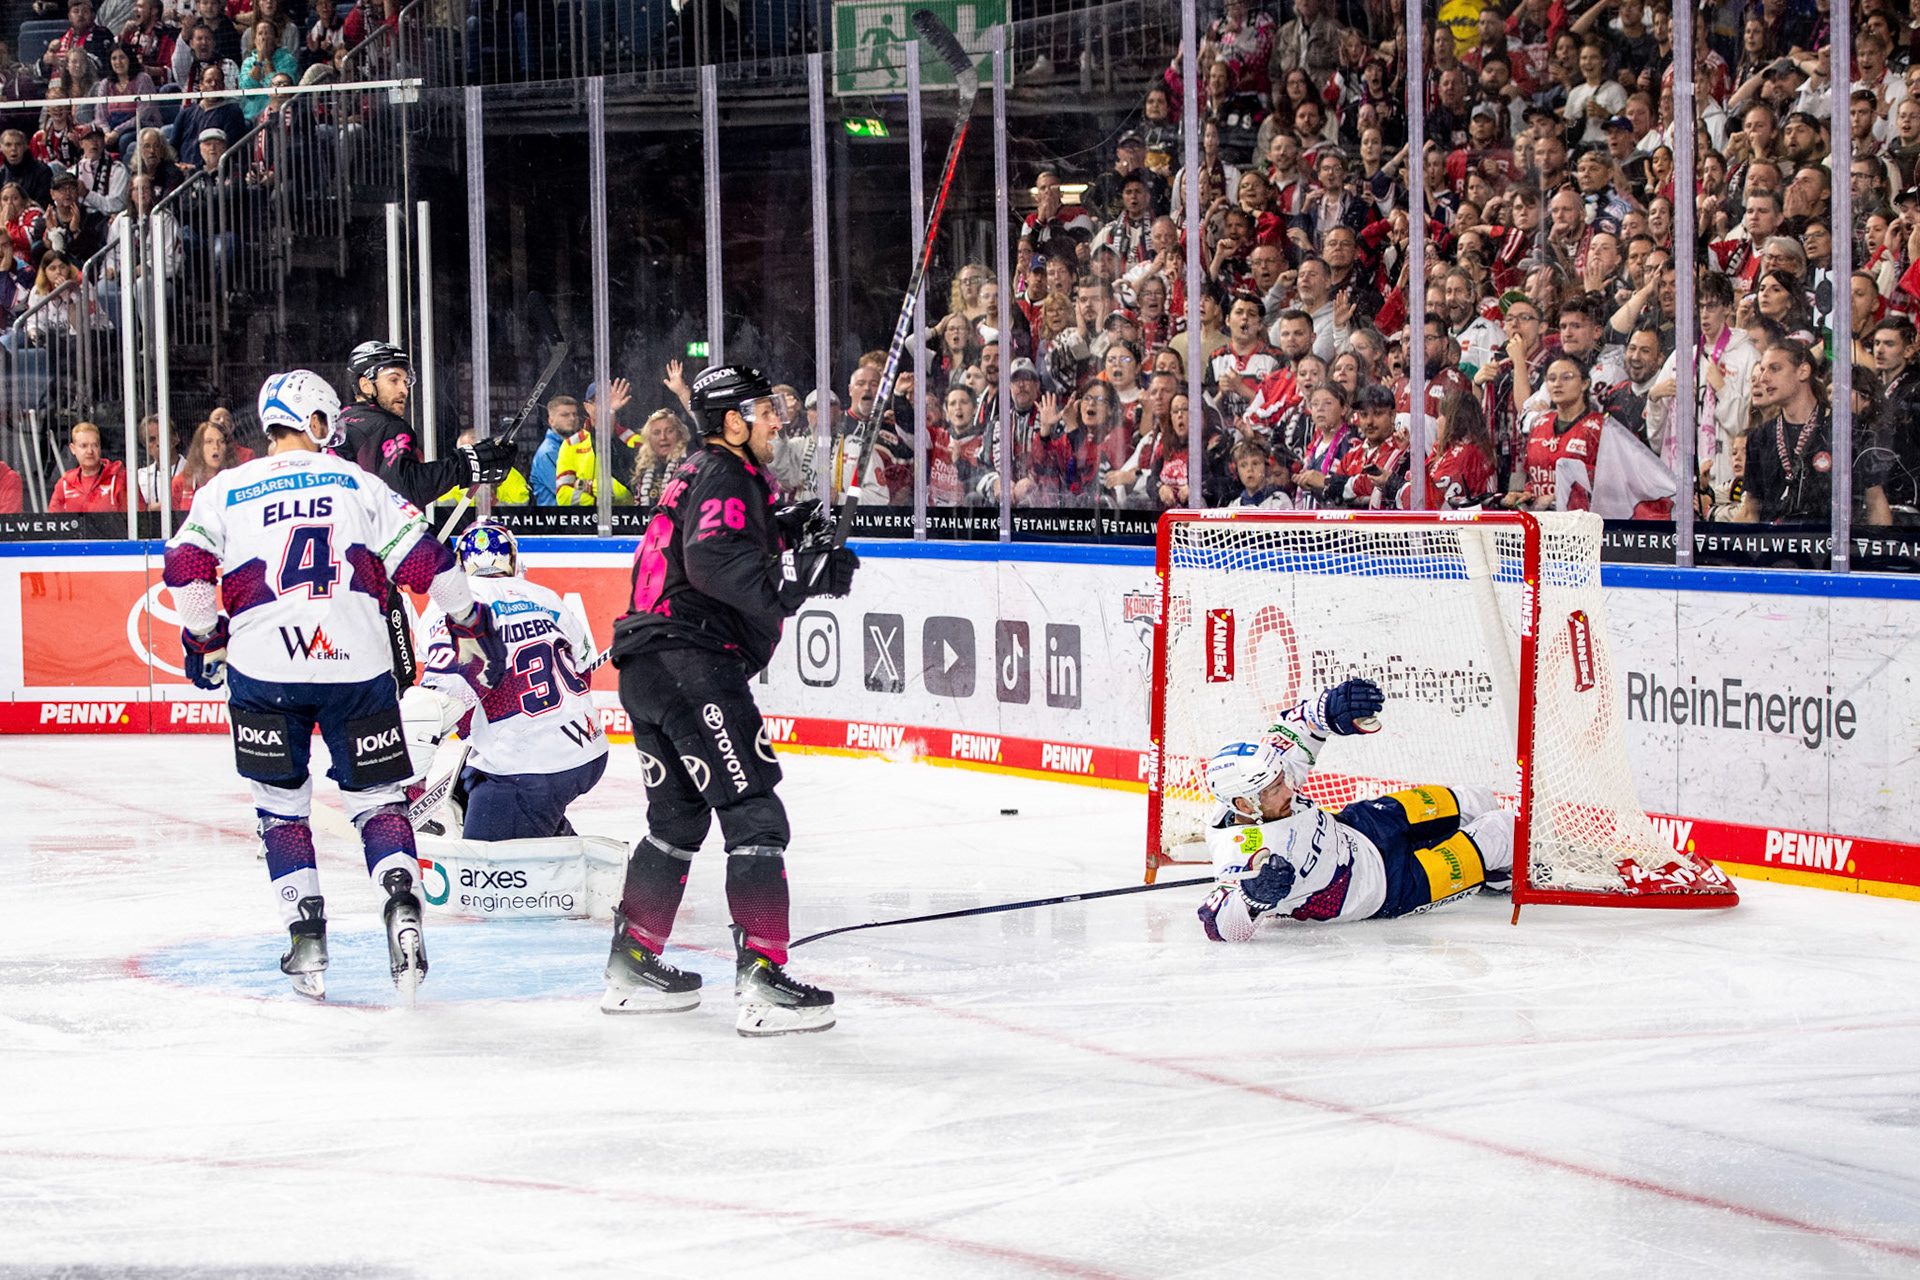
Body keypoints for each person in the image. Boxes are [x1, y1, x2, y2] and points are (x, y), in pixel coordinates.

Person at [161, 370, 506, 1001]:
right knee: (379, 802)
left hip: (266, 672)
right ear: (316, 423)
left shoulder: (226, 488)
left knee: (281, 809)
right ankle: (401, 907)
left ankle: (307, 933)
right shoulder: (357, 482)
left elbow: (185, 567)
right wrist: (469, 621)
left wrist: (205, 640)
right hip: (357, 667)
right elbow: (430, 560)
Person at [603, 364, 858, 1035]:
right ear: (732, 422)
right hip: (692, 663)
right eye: (764, 411)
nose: (778, 420)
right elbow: (715, 560)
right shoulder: (724, 471)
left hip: (649, 667)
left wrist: (788, 532)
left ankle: (633, 964)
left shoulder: (707, 471)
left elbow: (725, 542)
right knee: (755, 814)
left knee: (679, 822)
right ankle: (762, 981)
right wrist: (798, 576)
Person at [1196, 679, 1514, 942]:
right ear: (1243, 804)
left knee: (1478, 800)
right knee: (1503, 829)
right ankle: (1498, 876)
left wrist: (1331, 708)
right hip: (1388, 887)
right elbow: (1221, 927)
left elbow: (1299, 723)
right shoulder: (1240, 855)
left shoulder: (1267, 776)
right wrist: (1253, 899)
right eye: (1276, 789)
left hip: (1363, 824)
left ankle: (1494, 868)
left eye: (1283, 780)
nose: (1289, 789)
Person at [413, 522, 607, 840]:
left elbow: (434, 705)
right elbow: (582, 671)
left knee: (485, 877)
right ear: (514, 562)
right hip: (587, 750)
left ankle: (541, 840)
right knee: (475, 779)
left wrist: (406, 783)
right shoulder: (548, 598)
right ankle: (550, 829)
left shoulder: (451, 606)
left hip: (526, 770)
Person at [336, 340, 512, 511]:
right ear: (366, 385)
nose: (404, 390)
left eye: (405, 382)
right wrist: (465, 464)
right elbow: (404, 492)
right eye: (394, 380)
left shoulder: (340, 423)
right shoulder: (387, 426)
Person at [48, 420, 128, 510]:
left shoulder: (120, 479)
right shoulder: (64, 485)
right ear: (73, 449)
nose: (90, 451)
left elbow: (138, 520)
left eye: (95, 445)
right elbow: (55, 521)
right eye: (83, 446)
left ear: (100, 447)